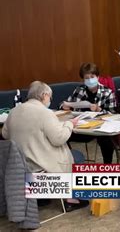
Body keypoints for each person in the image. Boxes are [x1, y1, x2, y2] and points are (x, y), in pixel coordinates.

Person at [2, 81, 88, 211]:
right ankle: (70, 199)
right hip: (41, 169)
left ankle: (40, 197)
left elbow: (5, 134)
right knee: (78, 157)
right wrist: (70, 124)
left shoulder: (13, 112)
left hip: (20, 168)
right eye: (50, 97)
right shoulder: (45, 113)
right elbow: (59, 139)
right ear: (44, 95)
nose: (50, 100)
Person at [62, 63, 117, 164]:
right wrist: (64, 106)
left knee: (107, 141)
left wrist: (98, 109)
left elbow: (112, 114)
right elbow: (66, 103)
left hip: (99, 127)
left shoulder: (107, 92)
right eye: (87, 78)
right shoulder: (79, 90)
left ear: (97, 77)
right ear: (83, 79)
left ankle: (107, 167)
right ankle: (66, 163)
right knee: (61, 135)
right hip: (81, 127)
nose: (90, 80)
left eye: (92, 77)